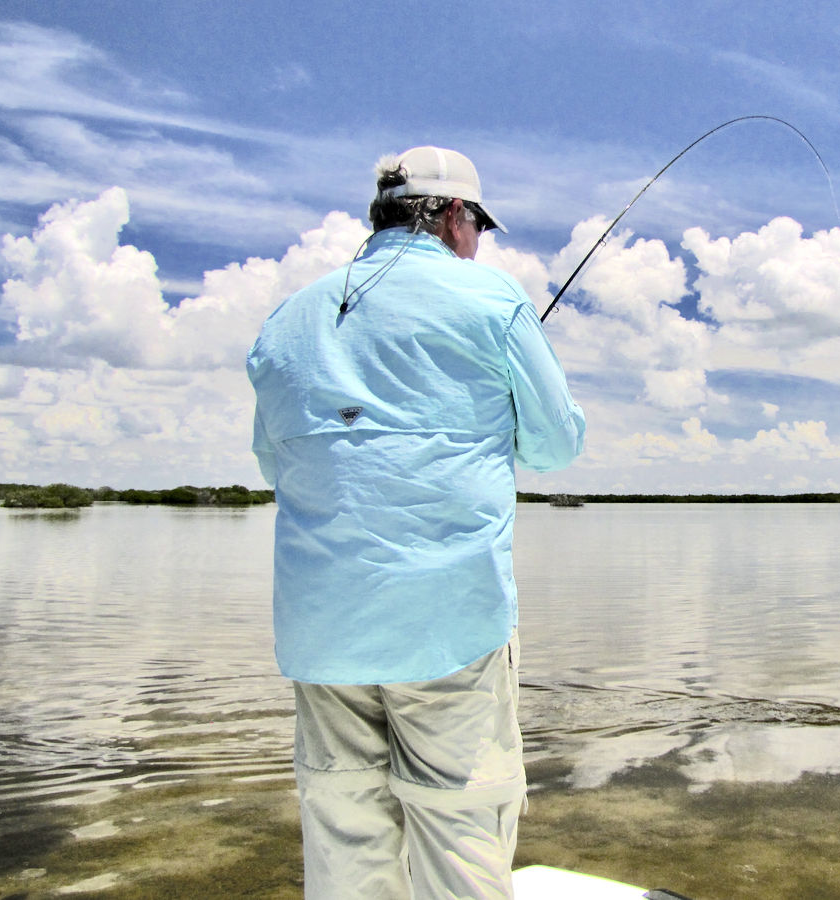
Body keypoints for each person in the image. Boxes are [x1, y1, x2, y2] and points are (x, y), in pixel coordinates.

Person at [246, 146, 586, 899]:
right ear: (457, 217)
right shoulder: (492, 301)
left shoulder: (286, 319)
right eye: (479, 227)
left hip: (320, 629)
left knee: (342, 830)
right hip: (448, 623)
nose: (479, 243)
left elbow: (275, 465)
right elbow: (557, 444)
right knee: (460, 820)